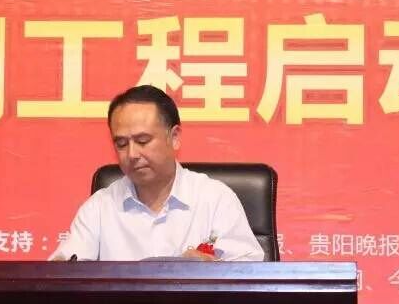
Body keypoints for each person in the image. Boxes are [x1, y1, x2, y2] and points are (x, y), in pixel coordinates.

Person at [51, 84, 264, 262]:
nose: (132, 154)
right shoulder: (99, 208)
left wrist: (211, 270)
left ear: (174, 137)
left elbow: (250, 276)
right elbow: (61, 276)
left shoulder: (215, 199)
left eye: (143, 141)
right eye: (121, 144)